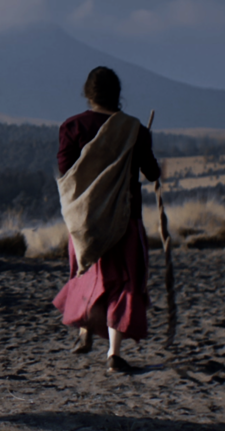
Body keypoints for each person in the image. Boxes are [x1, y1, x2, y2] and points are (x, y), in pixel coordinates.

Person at [51, 66, 161, 373]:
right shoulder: (134, 129)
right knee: (124, 283)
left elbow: (66, 172)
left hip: (84, 223)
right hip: (124, 221)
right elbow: (152, 173)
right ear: (118, 95)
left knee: (87, 275)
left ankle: (85, 331)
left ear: (87, 94)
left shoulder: (71, 127)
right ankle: (113, 353)